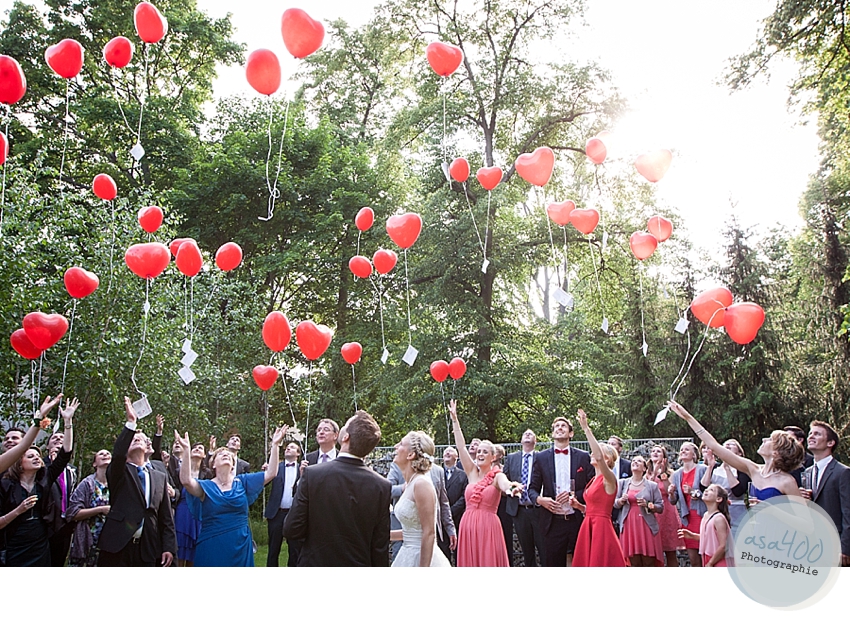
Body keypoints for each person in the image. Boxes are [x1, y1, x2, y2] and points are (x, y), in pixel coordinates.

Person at [284, 410, 391, 567]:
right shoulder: (382, 486)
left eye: (345, 425)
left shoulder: (313, 474)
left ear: (345, 437)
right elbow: (380, 546)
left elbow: (291, 529)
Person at [177, 425, 286, 567]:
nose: (226, 455)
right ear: (213, 464)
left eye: (228, 455)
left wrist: (275, 445)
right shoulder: (206, 486)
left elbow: (271, 473)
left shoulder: (243, 482)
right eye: (221, 455)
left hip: (240, 545)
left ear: (233, 465)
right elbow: (186, 481)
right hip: (211, 545)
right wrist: (186, 451)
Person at [669, 401, 802, 503]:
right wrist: (688, 417)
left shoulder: (787, 482)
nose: (764, 439)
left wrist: (772, 509)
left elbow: (806, 523)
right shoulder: (753, 468)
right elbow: (714, 446)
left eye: (770, 440)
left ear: (776, 453)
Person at [97, 397, 176, 567]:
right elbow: (117, 455)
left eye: (141, 438)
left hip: (148, 547)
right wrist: (131, 423)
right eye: (133, 439)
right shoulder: (119, 472)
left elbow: (166, 517)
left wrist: (168, 547)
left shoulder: (159, 477)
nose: (137, 439)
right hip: (117, 546)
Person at [0, 397, 76, 566]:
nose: (36, 458)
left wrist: (67, 421)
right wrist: (19, 510)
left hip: (39, 544)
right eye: (30, 456)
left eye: (38, 456)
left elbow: (65, 454)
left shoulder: (44, 479)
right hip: (13, 544)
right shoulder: (5, 484)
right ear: (19, 462)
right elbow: (21, 447)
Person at [449, 400, 520, 567]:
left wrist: (512, 488)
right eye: (479, 451)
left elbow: (505, 484)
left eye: (485, 452)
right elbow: (461, 447)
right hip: (467, 526)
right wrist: (454, 419)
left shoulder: (497, 475)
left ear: (493, 457)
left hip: (488, 527)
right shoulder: (471, 472)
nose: (480, 454)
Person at [528, 414, 594, 567]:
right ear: (552, 434)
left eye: (563, 426)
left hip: (577, 519)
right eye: (556, 426)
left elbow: (591, 485)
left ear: (570, 433)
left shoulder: (583, 457)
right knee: (553, 564)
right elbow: (532, 489)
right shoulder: (541, 457)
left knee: (581, 562)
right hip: (552, 521)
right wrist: (540, 500)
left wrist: (575, 496)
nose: (559, 428)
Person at [571, 409, 627, 567]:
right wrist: (579, 506)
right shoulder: (594, 479)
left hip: (601, 528)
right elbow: (592, 507)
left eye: (597, 451)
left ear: (607, 458)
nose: (592, 453)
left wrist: (586, 428)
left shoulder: (609, 479)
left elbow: (599, 456)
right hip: (588, 523)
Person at [390, 431, 451, 567]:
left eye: (400, 444)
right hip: (406, 552)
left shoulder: (421, 484)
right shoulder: (410, 483)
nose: (395, 446)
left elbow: (429, 533)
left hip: (421, 557)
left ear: (410, 455)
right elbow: (412, 532)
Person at [802, 421, 850, 566]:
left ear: (830, 443)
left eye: (817, 434)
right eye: (810, 433)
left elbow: (848, 512)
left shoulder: (842, 472)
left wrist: (845, 547)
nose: (811, 436)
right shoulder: (807, 473)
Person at [503, 428, 546, 566]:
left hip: (539, 510)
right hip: (519, 510)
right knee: (527, 552)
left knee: (544, 549)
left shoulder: (542, 457)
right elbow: (504, 483)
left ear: (535, 440)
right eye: (524, 433)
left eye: (531, 433)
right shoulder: (511, 458)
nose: (527, 434)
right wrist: (512, 489)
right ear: (521, 440)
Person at [614, 455, 664, 566]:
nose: (635, 462)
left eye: (639, 461)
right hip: (629, 525)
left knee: (648, 561)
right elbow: (614, 503)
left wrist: (649, 505)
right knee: (633, 562)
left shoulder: (652, 486)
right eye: (633, 461)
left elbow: (660, 507)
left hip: (646, 525)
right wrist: (621, 501)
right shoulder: (622, 483)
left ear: (645, 468)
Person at [66, 449, 111, 567]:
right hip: (88, 542)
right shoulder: (87, 484)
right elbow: (72, 513)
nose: (105, 454)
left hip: (109, 544)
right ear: (94, 464)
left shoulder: (117, 484)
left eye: (108, 454)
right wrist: (100, 509)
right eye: (101, 454)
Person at [669, 440, 708, 567]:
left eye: (687, 449)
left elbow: (710, 492)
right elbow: (673, 501)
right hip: (687, 518)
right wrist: (671, 493)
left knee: (706, 555)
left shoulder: (702, 469)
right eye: (681, 449)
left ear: (694, 455)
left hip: (702, 515)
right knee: (693, 559)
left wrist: (693, 492)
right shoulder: (677, 474)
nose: (683, 451)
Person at [699, 439, 748, 535]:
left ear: (739, 453)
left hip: (735, 511)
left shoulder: (743, 470)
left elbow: (738, 491)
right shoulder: (715, 468)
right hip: (716, 510)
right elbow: (703, 488)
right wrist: (710, 467)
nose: (728, 444)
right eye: (725, 444)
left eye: (733, 444)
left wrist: (727, 468)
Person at [264, 441, 302, 567]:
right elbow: (264, 483)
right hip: (276, 514)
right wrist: (266, 471)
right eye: (287, 447)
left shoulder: (303, 469)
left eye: (292, 447)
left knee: (294, 550)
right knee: (273, 550)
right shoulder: (275, 467)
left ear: (298, 453)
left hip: (294, 515)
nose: (287, 448)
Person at [45, 430, 78, 566]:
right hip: (46, 524)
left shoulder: (72, 470)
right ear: (47, 446)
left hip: (65, 525)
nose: (58, 439)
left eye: (62, 437)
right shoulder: (40, 466)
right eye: (55, 437)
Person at [678, 484, 731, 567]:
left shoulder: (718, 519)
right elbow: (710, 538)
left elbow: (723, 546)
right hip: (707, 556)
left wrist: (711, 563)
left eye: (711, 490)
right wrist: (693, 536)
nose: (706, 490)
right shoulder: (706, 515)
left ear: (719, 499)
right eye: (707, 489)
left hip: (717, 559)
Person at [647, 444, 683, 566]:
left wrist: (663, 474)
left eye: (659, 451)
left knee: (670, 551)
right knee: (653, 551)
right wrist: (654, 472)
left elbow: (669, 492)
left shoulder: (670, 473)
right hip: (652, 512)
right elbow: (647, 490)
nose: (655, 453)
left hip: (667, 512)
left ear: (664, 457)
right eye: (653, 451)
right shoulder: (645, 473)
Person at [174, 442, 209, 566]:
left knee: (195, 555)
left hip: (200, 515)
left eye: (200, 448)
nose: (197, 449)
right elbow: (175, 490)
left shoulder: (208, 474)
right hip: (182, 514)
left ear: (204, 455)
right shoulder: (179, 471)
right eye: (194, 447)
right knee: (179, 550)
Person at [440, 446, 467, 562]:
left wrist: (451, 511)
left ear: (457, 457)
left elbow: (464, 496)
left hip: (457, 518)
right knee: (442, 552)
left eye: (450, 451)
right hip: (439, 519)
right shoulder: (436, 472)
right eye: (445, 451)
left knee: (459, 551)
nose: (447, 452)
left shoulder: (463, 475)